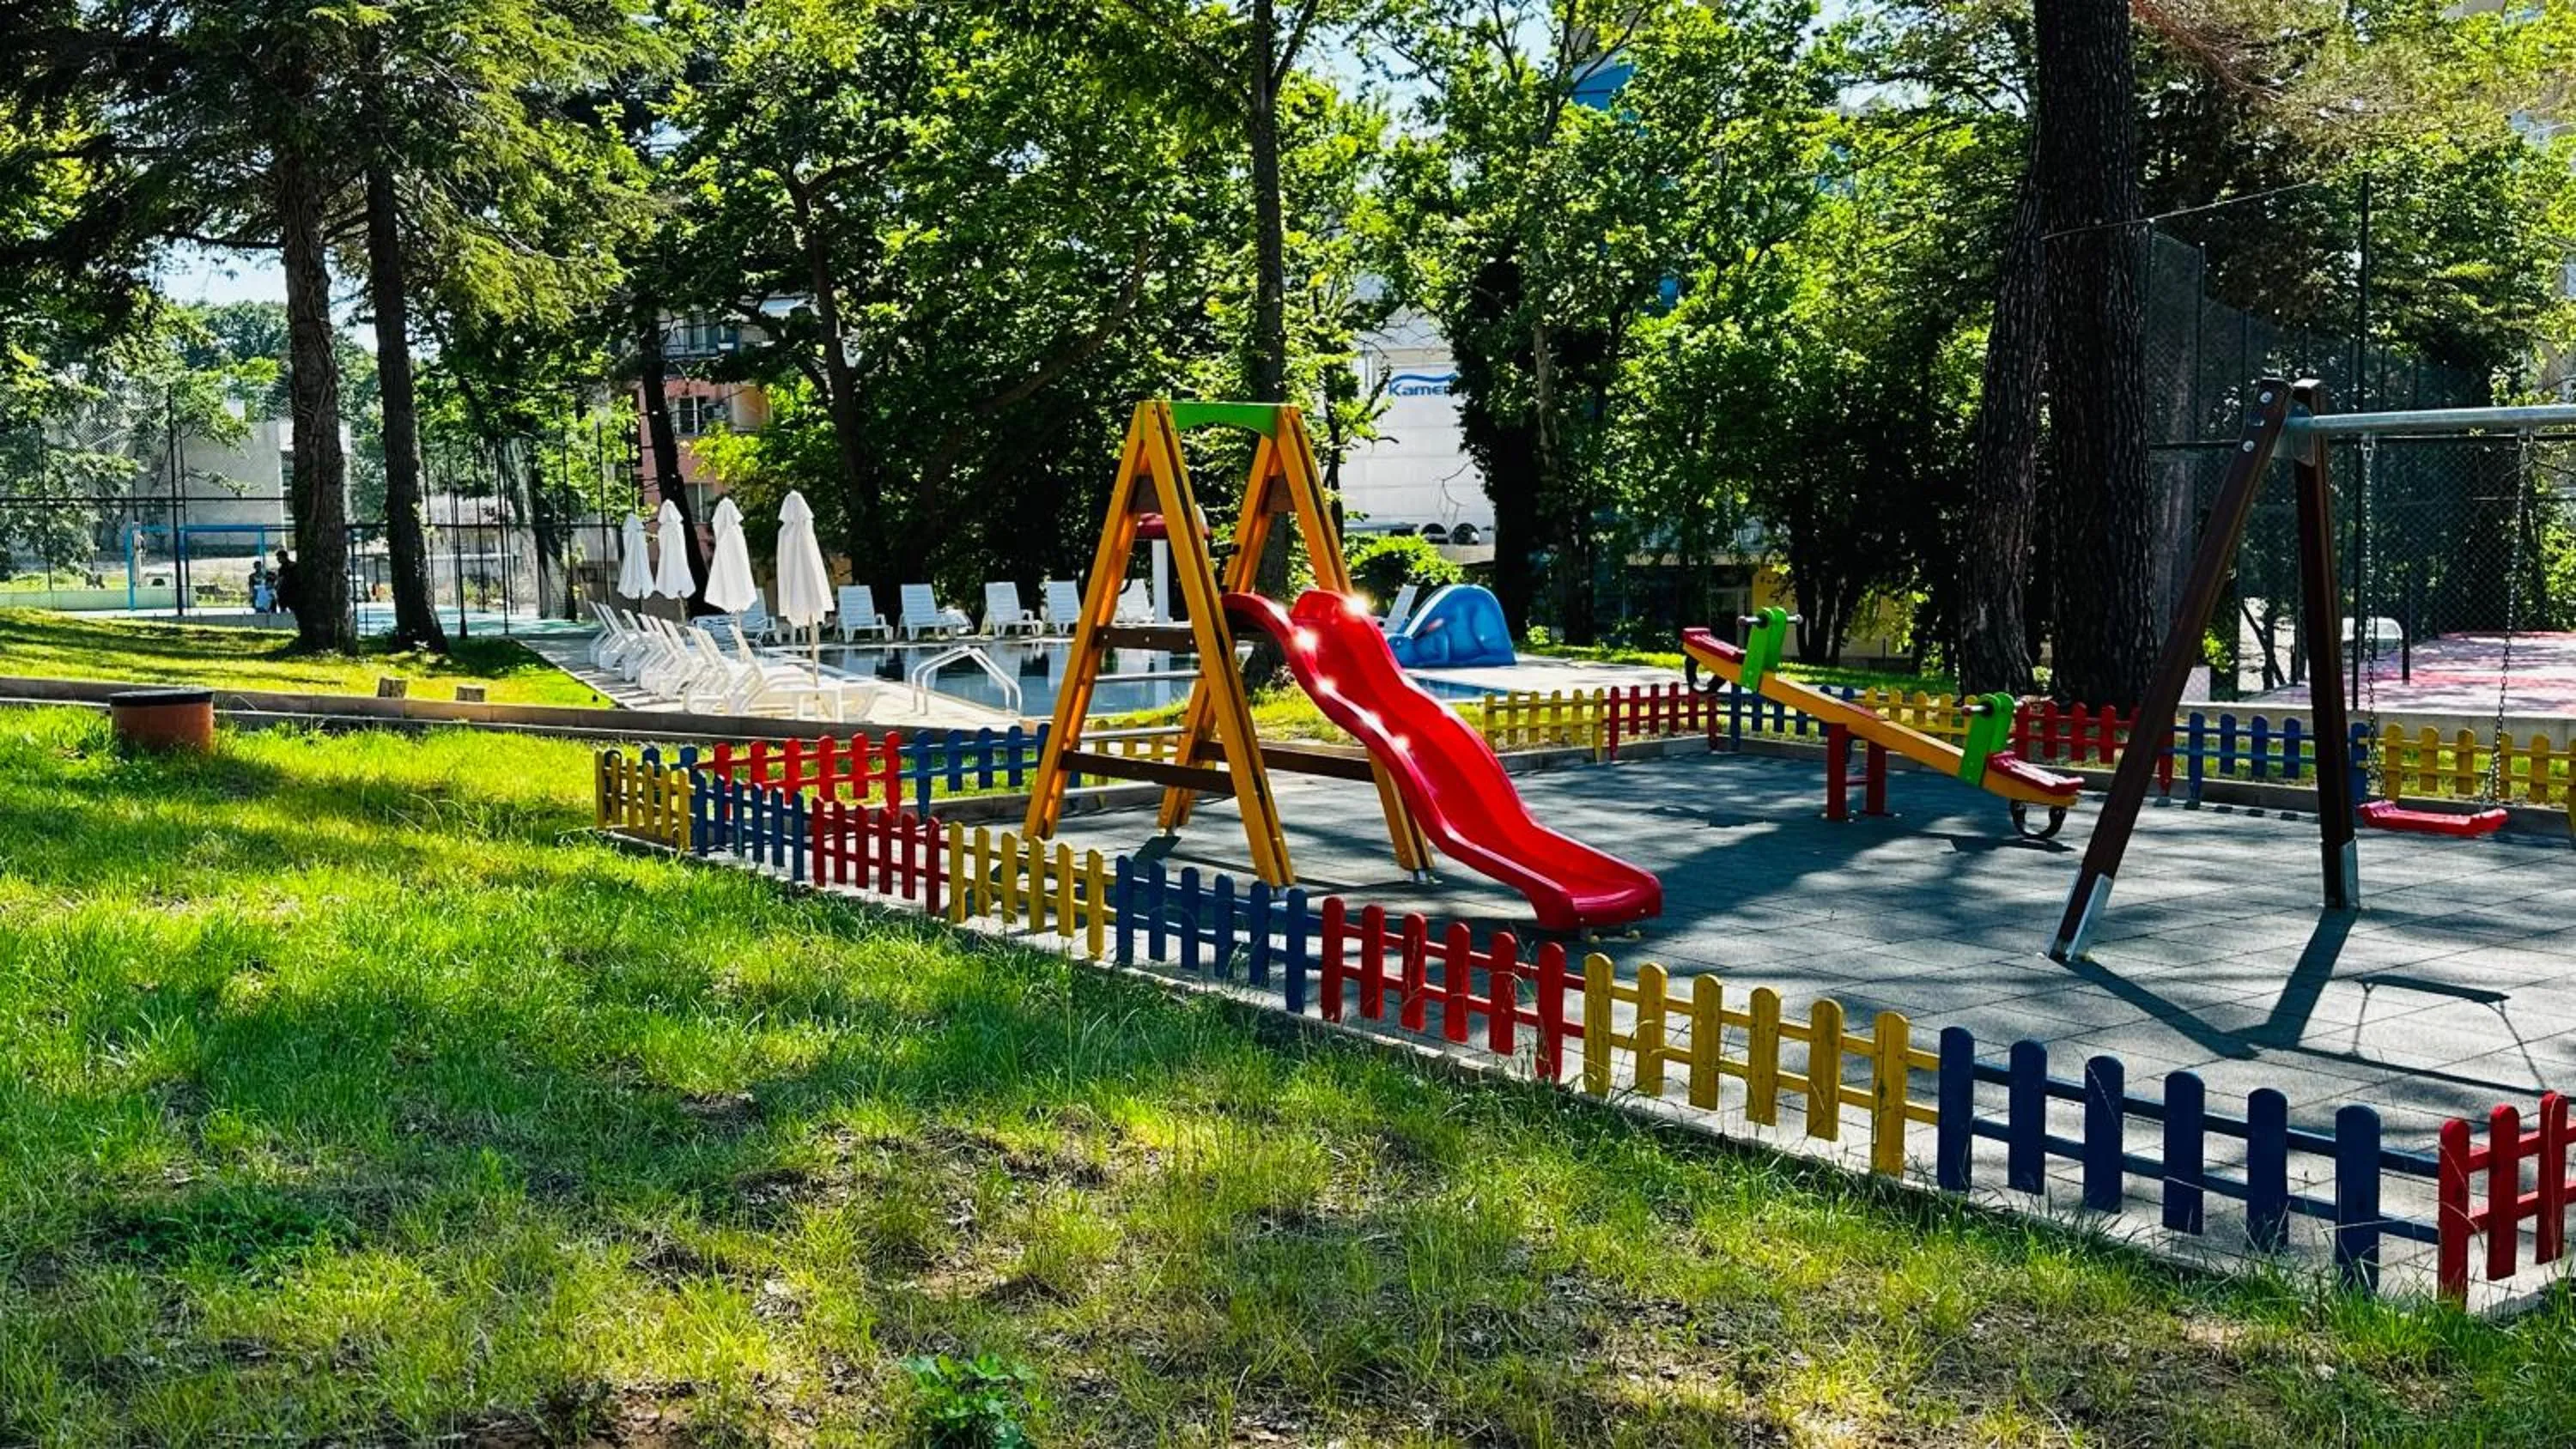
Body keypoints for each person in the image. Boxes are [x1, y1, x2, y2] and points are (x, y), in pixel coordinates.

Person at [270, 548, 301, 621]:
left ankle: (284, 621)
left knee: (284, 607)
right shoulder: (295, 565)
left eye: (279, 558)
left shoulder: (283, 568)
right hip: (294, 590)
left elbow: (281, 580)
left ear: (284, 557)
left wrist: (277, 588)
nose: (278, 560)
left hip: (286, 590)